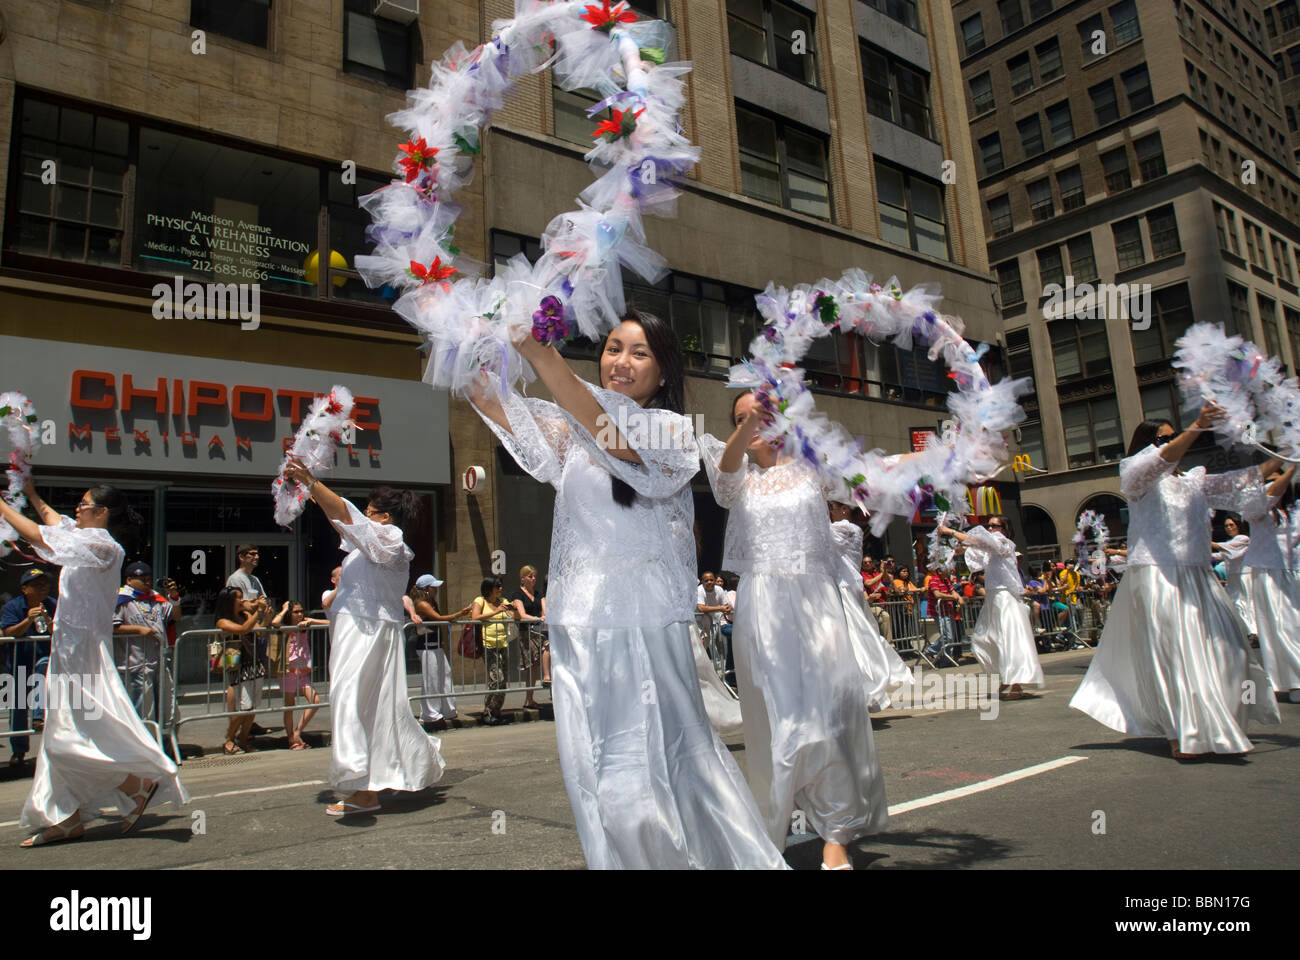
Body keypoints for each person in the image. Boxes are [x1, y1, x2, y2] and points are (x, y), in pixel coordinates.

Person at [470, 310, 785, 869]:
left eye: (639, 353)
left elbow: (611, 437)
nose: (621, 362)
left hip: (641, 628)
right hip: (576, 627)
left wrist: (543, 355)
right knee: (595, 785)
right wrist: (456, 319)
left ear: (662, 372)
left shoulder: (670, 432)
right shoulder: (569, 432)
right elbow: (492, 400)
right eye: (614, 347)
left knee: (642, 789)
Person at [700, 391, 888, 871]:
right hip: (764, 607)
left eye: (760, 414)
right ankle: (778, 823)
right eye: (739, 418)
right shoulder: (738, 477)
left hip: (817, 602)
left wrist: (946, 460)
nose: (752, 423)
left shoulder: (813, 467)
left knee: (828, 709)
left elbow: (876, 472)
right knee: (783, 718)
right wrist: (747, 425)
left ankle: (837, 833)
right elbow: (722, 479)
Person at [1069, 406, 1282, 759]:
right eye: (1160, 438)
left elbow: (1243, 479)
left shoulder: (1193, 480)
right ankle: (1180, 732)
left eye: (1171, 437)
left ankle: (1215, 721)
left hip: (1198, 576)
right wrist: (1198, 426)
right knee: (1173, 657)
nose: (1168, 443)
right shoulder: (1135, 474)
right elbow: (1160, 460)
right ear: (1144, 444)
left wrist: (1285, 455)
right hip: (1156, 575)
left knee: (1232, 650)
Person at [0, 482, 186, 846]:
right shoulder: (80, 535)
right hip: (67, 647)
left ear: (102, 513)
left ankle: (135, 783)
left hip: (83, 650)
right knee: (59, 731)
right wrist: (33, 494)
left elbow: (39, 534)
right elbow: (51, 521)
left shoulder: (103, 546)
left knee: (64, 737)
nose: (78, 508)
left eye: (84, 505)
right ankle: (67, 817)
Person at [281, 465, 444, 815]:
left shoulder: (391, 539)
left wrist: (312, 481)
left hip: (371, 629)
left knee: (352, 698)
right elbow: (340, 519)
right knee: (368, 705)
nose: (363, 514)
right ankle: (368, 786)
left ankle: (361, 782)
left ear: (384, 516)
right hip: (358, 628)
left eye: (369, 510)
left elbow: (343, 511)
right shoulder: (367, 543)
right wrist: (310, 491)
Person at [939, 517, 1043, 700]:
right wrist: (956, 549)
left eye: (994, 525)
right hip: (993, 597)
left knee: (1009, 640)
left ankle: (1016, 684)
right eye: (989, 525)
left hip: (1006, 597)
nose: (990, 528)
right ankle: (1005, 676)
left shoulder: (1004, 543)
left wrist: (951, 532)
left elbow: (979, 542)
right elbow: (975, 550)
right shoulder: (990, 549)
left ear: (1005, 529)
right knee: (983, 639)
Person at [830, 503, 909, 710]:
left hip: (845, 588)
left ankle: (866, 686)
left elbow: (817, 534)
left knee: (854, 637)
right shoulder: (840, 528)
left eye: (832, 506)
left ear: (845, 509)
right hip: (842, 587)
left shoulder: (848, 528)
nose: (829, 510)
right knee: (852, 636)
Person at [1238, 467, 1300, 703]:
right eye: (1272, 481)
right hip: (1269, 573)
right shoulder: (1256, 506)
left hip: (1294, 573)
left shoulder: (1294, 509)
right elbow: (1268, 495)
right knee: (1284, 627)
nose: (1279, 485)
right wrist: (1291, 466)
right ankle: (1295, 682)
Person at [112, 562, 181, 724]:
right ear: (129, 580)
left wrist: (174, 597)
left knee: (167, 706)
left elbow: (175, 617)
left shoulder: (156, 599)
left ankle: (164, 741)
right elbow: (112, 627)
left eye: (149, 579)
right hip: (135, 664)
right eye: (142, 579)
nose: (147, 582)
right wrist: (138, 630)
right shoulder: (122, 599)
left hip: (159, 661)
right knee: (143, 710)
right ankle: (144, 744)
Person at [1, 568, 54, 765]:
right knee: (19, 708)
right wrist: (29, 619)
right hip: (19, 662)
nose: (43, 589)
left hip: (43, 659)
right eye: (37, 585)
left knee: (43, 665)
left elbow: (59, 631)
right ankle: (19, 752)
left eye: (45, 585)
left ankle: (39, 719)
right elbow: (9, 632)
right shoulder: (13, 607)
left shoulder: (52, 604)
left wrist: (48, 620)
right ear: (25, 589)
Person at [411, 575, 471, 730]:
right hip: (425, 645)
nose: (436, 590)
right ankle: (431, 713)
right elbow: (438, 618)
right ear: (426, 589)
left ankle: (447, 709)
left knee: (445, 674)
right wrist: (460, 613)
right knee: (431, 679)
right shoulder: (422, 604)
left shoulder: (431, 602)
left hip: (435, 644)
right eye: (433, 587)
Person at [270, 601, 328, 749]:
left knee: (315, 700)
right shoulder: (285, 625)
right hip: (288, 669)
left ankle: (297, 732)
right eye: (296, 612)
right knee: (290, 705)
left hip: (302, 670)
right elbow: (275, 622)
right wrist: (284, 610)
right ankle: (291, 739)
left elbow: (330, 622)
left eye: (301, 611)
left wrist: (311, 620)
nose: (300, 614)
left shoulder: (305, 624)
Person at [214, 586, 265, 754]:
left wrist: (266, 613)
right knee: (244, 707)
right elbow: (243, 629)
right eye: (238, 597)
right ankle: (229, 739)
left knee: (253, 707)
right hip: (238, 665)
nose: (242, 600)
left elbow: (259, 632)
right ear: (229, 601)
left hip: (255, 663)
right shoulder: (222, 621)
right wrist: (258, 611)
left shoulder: (246, 615)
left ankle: (243, 739)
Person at [471, 577, 518, 726]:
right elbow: (475, 618)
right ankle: (488, 711)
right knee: (496, 679)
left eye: (501, 586)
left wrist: (514, 610)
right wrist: (496, 611)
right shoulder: (480, 601)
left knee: (503, 681)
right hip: (488, 644)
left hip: (502, 644)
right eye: (497, 586)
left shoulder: (503, 601)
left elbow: (517, 618)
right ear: (489, 588)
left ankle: (497, 711)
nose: (500, 589)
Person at [512, 565, 548, 709]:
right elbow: (521, 614)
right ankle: (529, 698)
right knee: (531, 666)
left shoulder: (539, 594)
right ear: (523, 578)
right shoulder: (517, 594)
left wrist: (541, 618)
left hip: (538, 630)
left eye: (534, 576)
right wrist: (536, 618)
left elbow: (544, 611)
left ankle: (546, 677)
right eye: (530, 576)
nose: (533, 579)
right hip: (526, 631)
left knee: (547, 645)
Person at [1211, 515, 1253, 633]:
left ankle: (1253, 630)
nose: (1229, 528)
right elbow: (1221, 555)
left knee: (1247, 603)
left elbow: (1229, 549)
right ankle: (1247, 631)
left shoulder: (1243, 539)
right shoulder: (1231, 541)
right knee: (1236, 603)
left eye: (1231, 525)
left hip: (1244, 575)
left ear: (1238, 526)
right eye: (1226, 526)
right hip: (1233, 576)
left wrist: (1202, 540)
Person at [921, 564, 964, 665]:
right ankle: (930, 651)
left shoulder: (946, 581)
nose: (948, 572)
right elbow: (937, 594)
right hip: (939, 612)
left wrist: (959, 598)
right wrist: (952, 597)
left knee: (951, 636)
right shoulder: (933, 580)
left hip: (948, 611)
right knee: (946, 636)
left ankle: (945, 660)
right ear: (940, 571)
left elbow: (953, 592)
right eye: (946, 570)